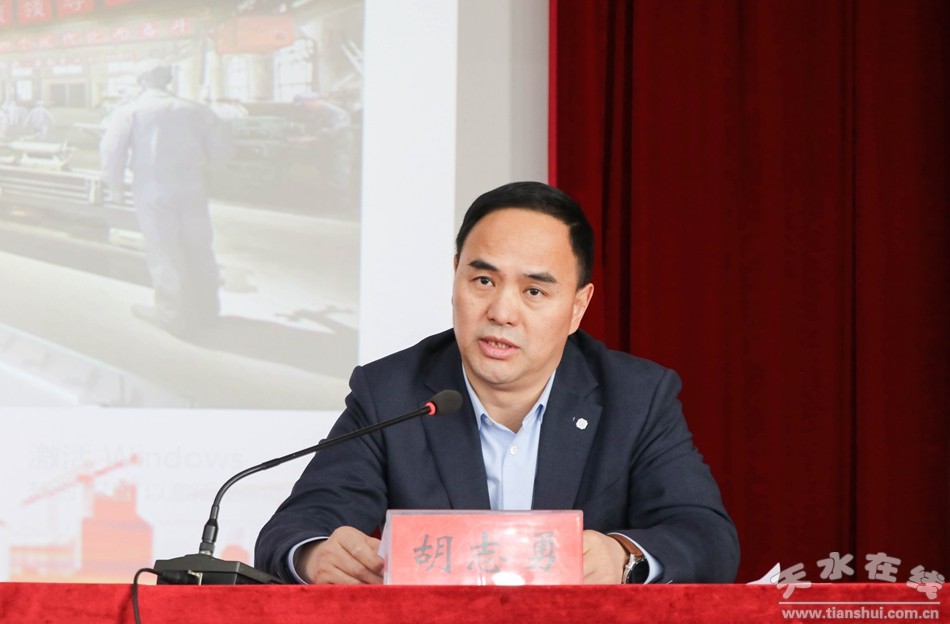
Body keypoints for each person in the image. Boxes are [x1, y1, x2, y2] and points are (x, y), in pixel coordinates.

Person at [255, 181, 739, 584]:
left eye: (534, 291)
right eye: (483, 281)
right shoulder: (391, 392)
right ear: (456, 277)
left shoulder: (635, 397)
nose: (502, 312)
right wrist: (315, 555)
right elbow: (296, 528)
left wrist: (623, 556)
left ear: (577, 307)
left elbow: (706, 537)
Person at [99, 59, 232, 338]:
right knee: (199, 248)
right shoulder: (198, 111)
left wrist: (114, 187)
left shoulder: (130, 111)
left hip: (153, 188)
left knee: (164, 250)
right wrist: (208, 173)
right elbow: (221, 152)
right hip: (193, 188)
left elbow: (112, 152)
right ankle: (207, 311)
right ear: (169, 80)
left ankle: (171, 315)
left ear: (141, 81)